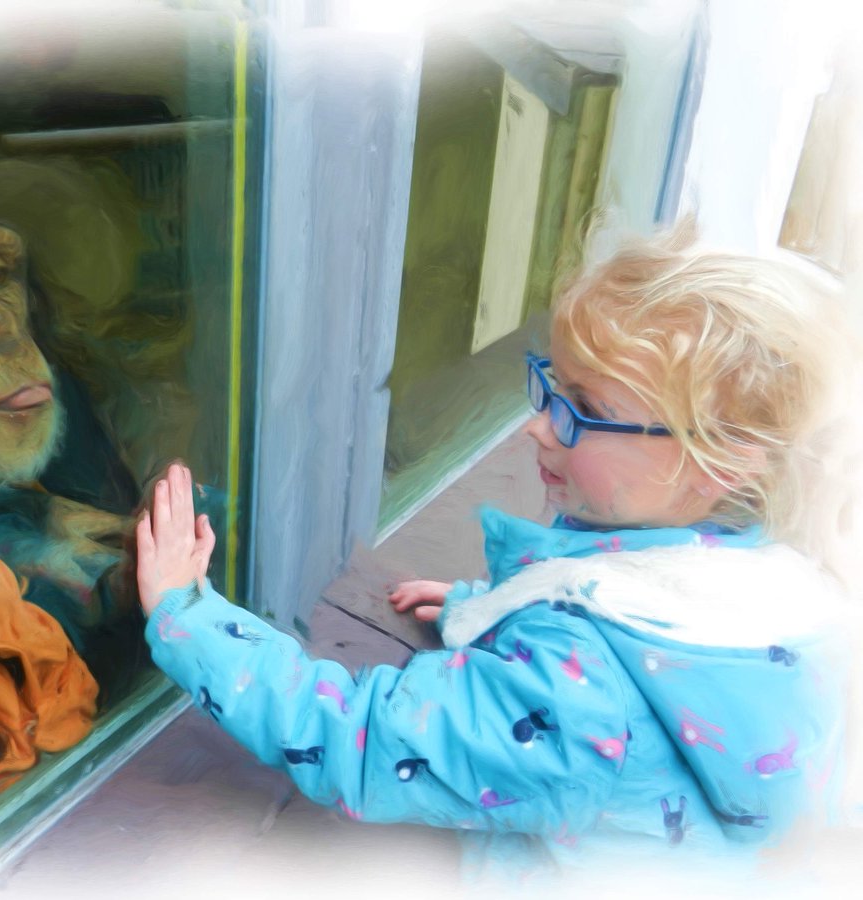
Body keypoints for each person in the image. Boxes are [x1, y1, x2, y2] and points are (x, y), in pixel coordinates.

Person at [133, 230, 862, 885]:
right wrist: (493, 607)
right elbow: (628, 602)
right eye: (550, 386)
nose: (539, 428)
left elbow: (356, 739)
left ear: (719, 462)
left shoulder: (580, 704)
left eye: (579, 409)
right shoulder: (772, 578)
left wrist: (185, 614)